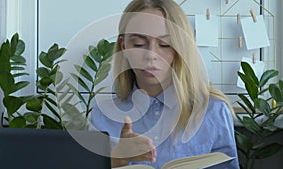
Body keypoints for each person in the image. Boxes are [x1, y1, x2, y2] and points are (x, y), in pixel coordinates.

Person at [89, 0, 239, 168]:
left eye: (164, 45)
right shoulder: (102, 116)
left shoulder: (213, 111)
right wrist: (116, 160)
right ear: (124, 46)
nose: (151, 55)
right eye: (138, 44)